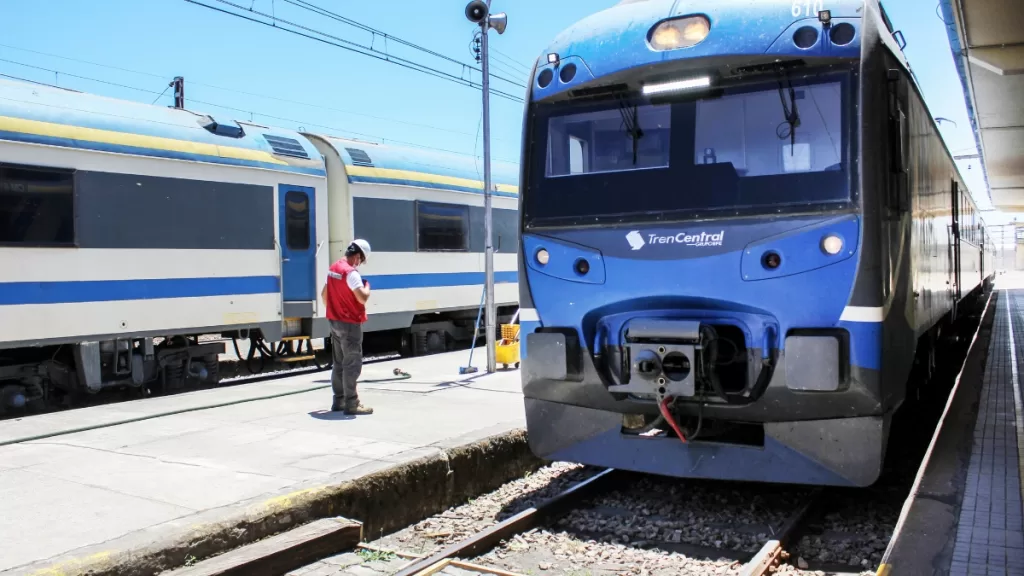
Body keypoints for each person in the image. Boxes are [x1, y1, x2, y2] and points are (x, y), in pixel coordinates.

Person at [321, 239, 373, 415]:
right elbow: (362, 298)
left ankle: (339, 401)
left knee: (339, 363)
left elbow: (324, 295)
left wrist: (334, 309)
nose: (360, 264)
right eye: (361, 260)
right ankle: (352, 403)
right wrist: (367, 287)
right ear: (357, 256)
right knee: (352, 363)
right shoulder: (352, 274)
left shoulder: (333, 268)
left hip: (334, 322)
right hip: (350, 324)